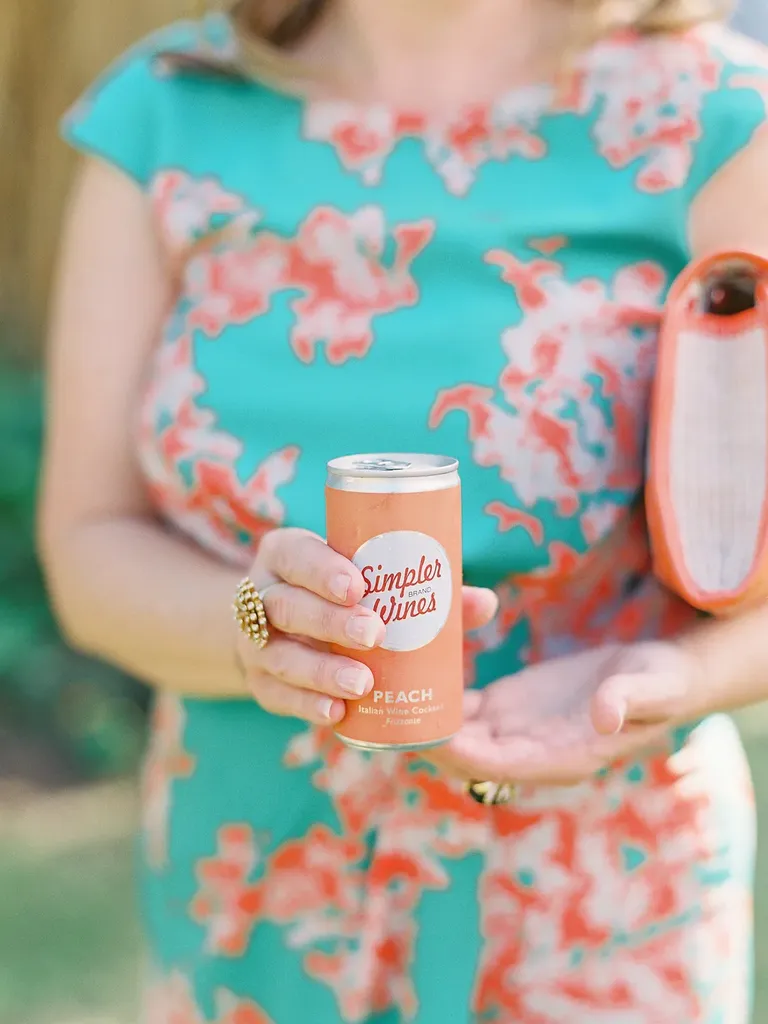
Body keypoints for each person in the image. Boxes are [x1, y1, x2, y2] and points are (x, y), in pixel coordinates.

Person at [39, 0, 768, 1021]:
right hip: (254, 889)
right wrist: (259, 633)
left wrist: (680, 675)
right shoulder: (168, 111)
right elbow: (86, 543)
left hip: (601, 893)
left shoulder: (721, 121)